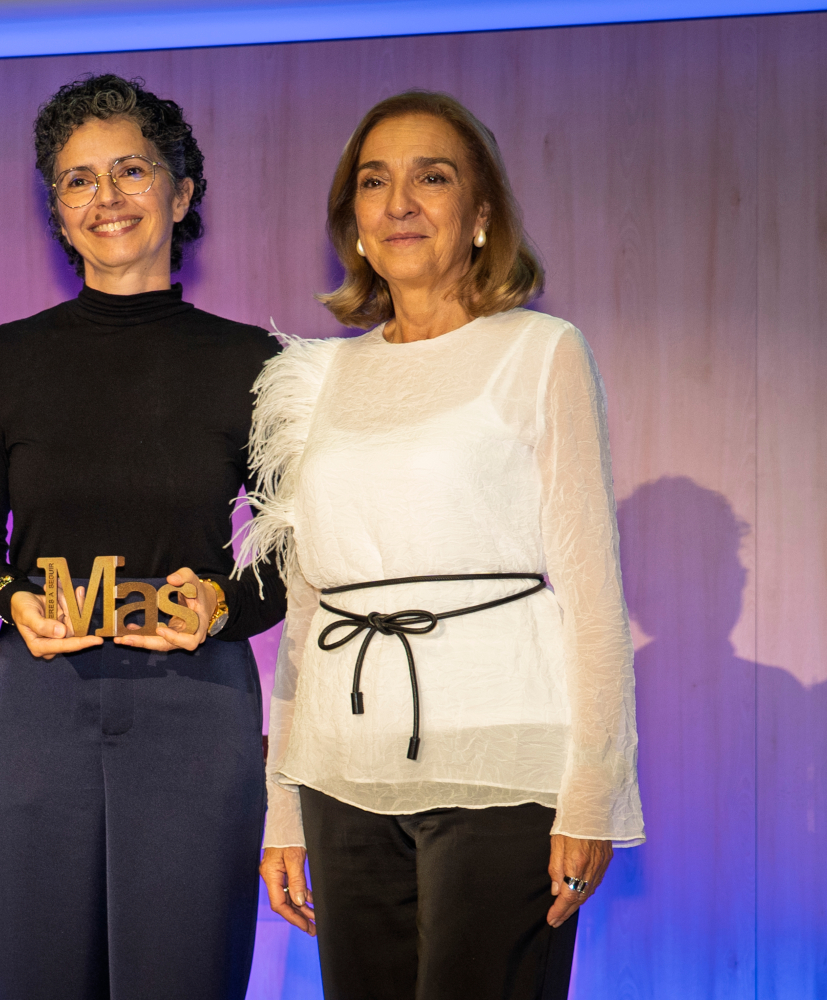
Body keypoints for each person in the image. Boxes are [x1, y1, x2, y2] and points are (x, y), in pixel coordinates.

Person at [236, 90, 644, 999]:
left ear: (482, 214)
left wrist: (593, 795)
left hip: (502, 765)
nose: (399, 201)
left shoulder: (540, 351)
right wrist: (284, 809)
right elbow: (306, 613)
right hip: (343, 772)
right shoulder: (317, 374)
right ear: (354, 220)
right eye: (374, 181)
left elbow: (590, 589)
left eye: (433, 177)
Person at [0, 74, 287, 1000]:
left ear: (181, 193)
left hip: (197, 700)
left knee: (183, 976)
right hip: (38, 702)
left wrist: (222, 605)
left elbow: (296, 553)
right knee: (37, 975)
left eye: (131, 170)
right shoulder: (2, 359)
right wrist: (10, 600)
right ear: (56, 213)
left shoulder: (256, 364)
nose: (106, 199)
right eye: (77, 180)